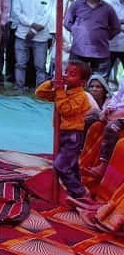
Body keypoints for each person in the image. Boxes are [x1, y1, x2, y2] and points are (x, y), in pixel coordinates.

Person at [35, 61, 99, 206]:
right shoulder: (63, 91)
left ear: (82, 82)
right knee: (72, 164)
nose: (66, 76)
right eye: (66, 72)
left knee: (61, 165)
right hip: (62, 133)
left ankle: (79, 192)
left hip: (73, 136)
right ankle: (78, 189)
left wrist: (59, 91)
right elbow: (40, 93)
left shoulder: (81, 96)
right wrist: (51, 83)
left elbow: (65, 110)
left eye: (72, 74)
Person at [65, 0, 122, 79]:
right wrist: (78, 32)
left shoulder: (107, 8)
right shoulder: (76, 5)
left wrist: (105, 36)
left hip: (101, 53)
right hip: (78, 51)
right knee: (75, 80)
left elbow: (116, 27)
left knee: (98, 82)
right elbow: (67, 22)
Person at [12, 0, 54, 92]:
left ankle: (40, 90)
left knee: (40, 66)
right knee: (20, 63)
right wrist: (31, 24)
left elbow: (48, 14)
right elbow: (17, 12)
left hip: (41, 36)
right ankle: (19, 87)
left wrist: (35, 30)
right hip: (22, 34)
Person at [85, 78, 124, 182]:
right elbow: (117, 96)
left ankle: (103, 165)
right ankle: (85, 159)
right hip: (118, 113)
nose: (94, 89)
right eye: (92, 87)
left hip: (121, 116)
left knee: (111, 128)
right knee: (95, 124)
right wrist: (110, 107)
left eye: (98, 87)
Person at [108, 0, 124, 88]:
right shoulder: (111, 4)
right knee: (104, 75)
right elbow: (108, 22)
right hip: (111, 45)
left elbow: (114, 23)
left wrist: (117, 22)